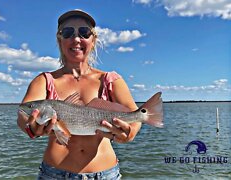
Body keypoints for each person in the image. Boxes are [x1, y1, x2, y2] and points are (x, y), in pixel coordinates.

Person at [17, 9, 141, 179]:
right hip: (54, 174)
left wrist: (129, 134)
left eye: (84, 32)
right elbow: (23, 113)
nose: (76, 39)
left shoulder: (111, 79)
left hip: (106, 175)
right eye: (68, 32)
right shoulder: (45, 80)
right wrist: (31, 127)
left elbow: (136, 116)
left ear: (93, 39)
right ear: (59, 39)